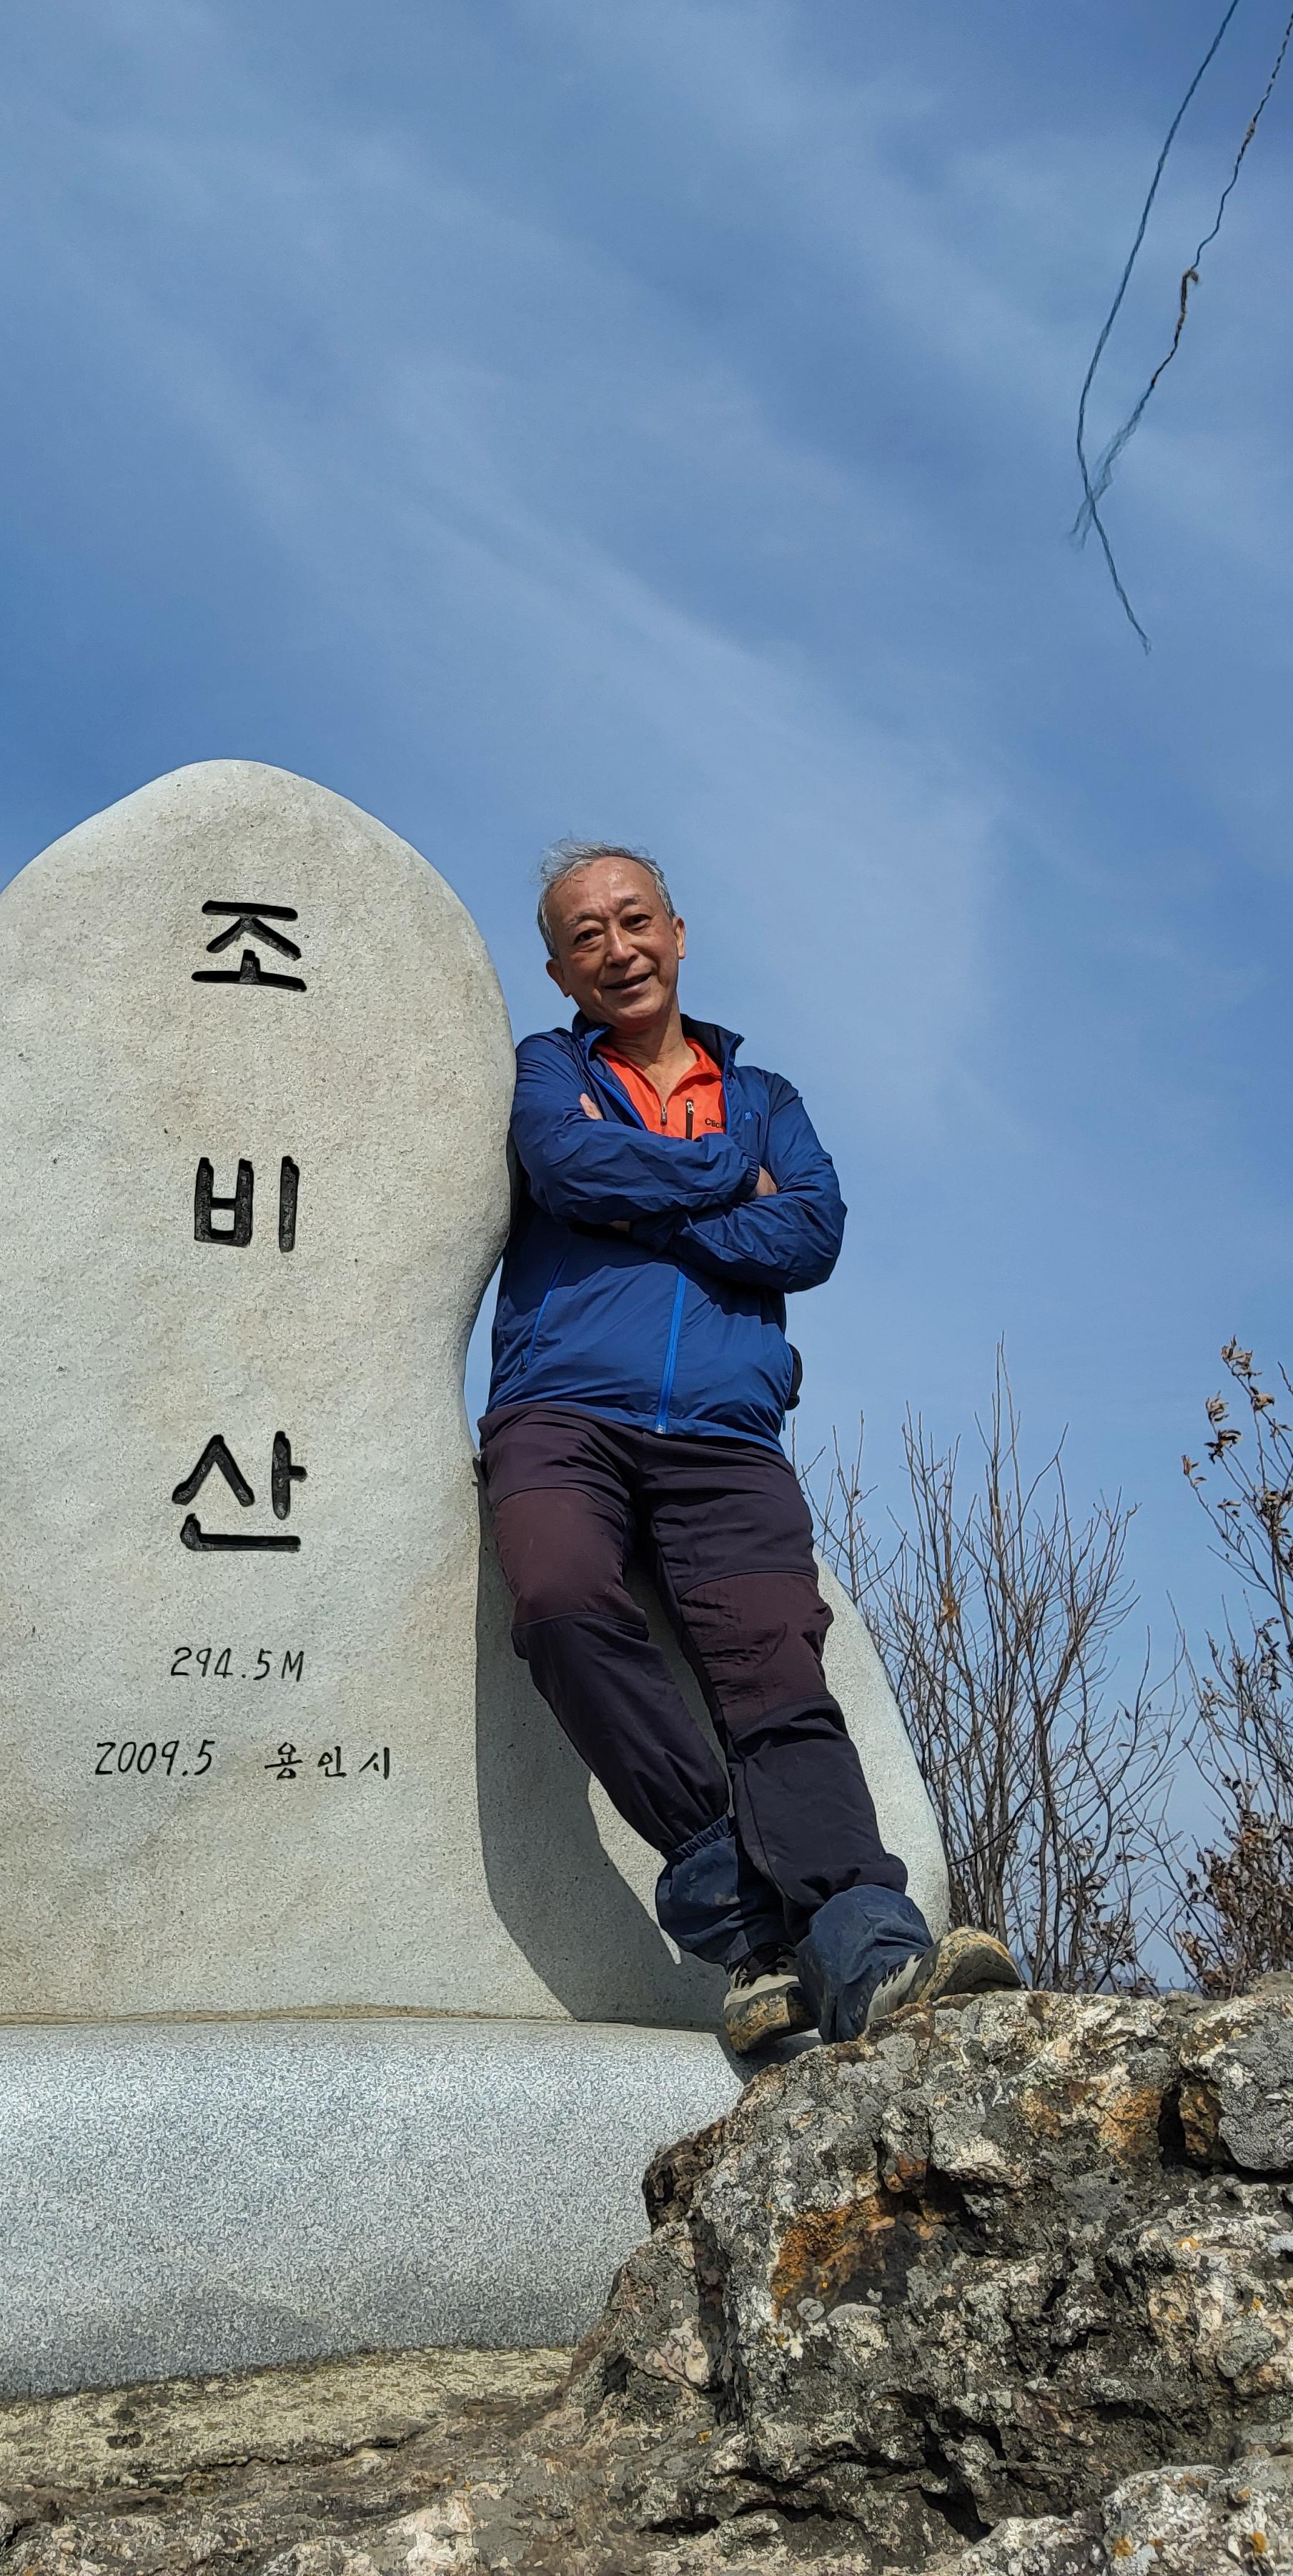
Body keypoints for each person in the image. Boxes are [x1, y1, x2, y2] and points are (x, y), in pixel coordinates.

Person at [483, 841, 1023, 2053]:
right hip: (563, 1410)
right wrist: (727, 1178)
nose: (617, 948)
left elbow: (810, 1235)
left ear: (678, 935)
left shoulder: (767, 1094)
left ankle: (868, 1950)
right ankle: (736, 1903)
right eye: (584, 934)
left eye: (635, 920)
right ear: (560, 972)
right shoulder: (550, 1071)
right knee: (560, 1599)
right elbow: (565, 1164)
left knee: (778, 1676)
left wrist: (646, 1205)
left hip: (728, 1437)